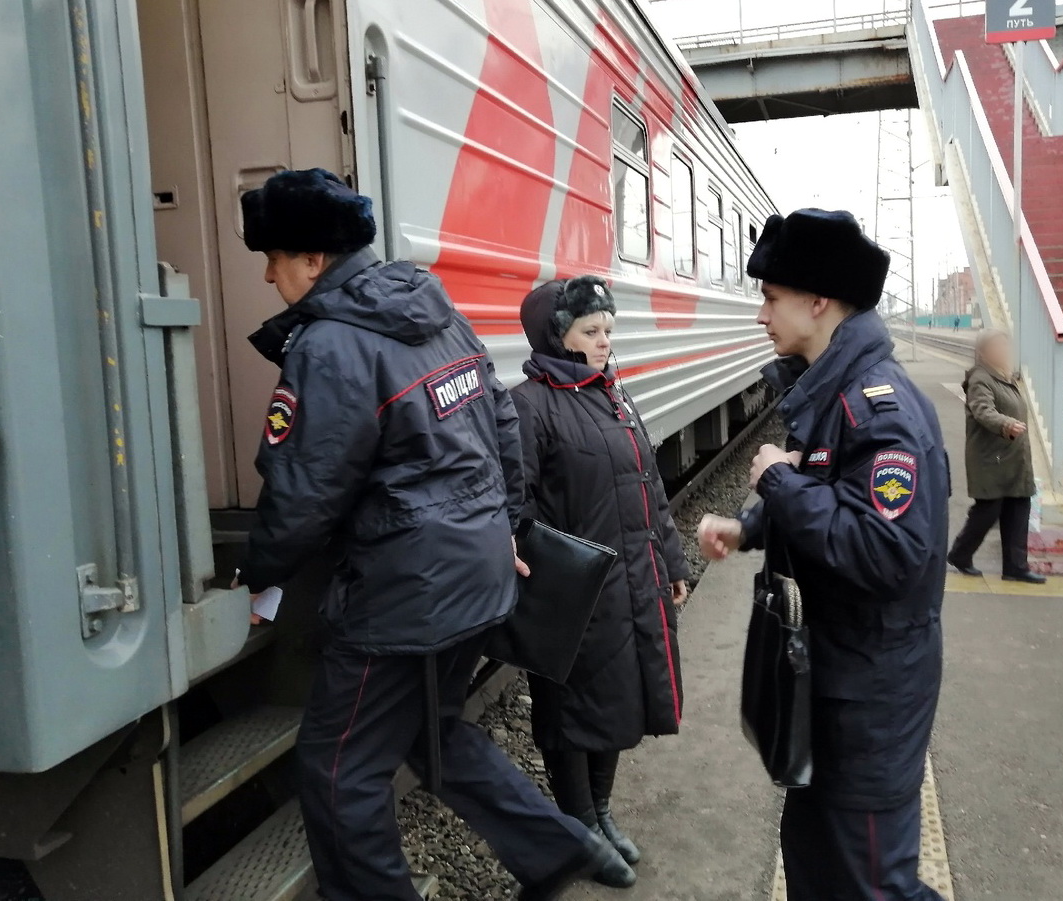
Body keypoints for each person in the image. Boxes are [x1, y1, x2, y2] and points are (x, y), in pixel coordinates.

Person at [233, 168, 622, 901]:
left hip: (404, 590)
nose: (266, 273)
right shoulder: (437, 314)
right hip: (476, 572)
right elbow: (500, 422)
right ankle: (555, 847)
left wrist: (256, 570)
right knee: (432, 730)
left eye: (274, 257)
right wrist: (503, 525)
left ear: (313, 260)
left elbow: (303, 490)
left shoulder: (328, 345)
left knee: (336, 770)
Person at [696, 209, 949, 901]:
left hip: (871, 688)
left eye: (770, 297)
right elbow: (826, 480)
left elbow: (887, 548)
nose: (759, 315)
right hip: (833, 678)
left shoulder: (879, 408)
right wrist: (751, 525)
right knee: (815, 854)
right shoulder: (833, 391)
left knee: (870, 876)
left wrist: (774, 479)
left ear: (817, 301)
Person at [510, 276, 689, 888]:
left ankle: (602, 813)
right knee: (570, 709)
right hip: (572, 591)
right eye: (591, 331)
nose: (605, 342)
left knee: (615, 699)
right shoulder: (529, 404)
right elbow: (516, 505)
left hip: (628, 581)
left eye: (608, 330)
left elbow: (650, 489)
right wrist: (544, 573)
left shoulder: (614, 393)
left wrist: (673, 561)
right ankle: (578, 827)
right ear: (555, 337)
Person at [945, 329, 1045, 584]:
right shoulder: (981, 379)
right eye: (998, 346)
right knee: (988, 511)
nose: (1004, 350)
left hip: (1012, 458)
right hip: (992, 459)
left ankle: (1015, 567)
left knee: (1018, 508)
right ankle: (960, 554)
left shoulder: (1004, 377)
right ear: (984, 352)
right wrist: (1006, 425)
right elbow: (982, 410)